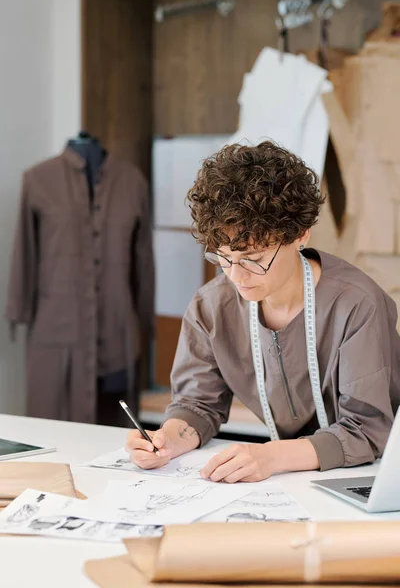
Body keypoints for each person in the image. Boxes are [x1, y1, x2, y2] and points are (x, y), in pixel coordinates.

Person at [126, 141, 400, 483]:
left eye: (254, 260)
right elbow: (198, 405)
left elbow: (368, 431)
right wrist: (168, 439)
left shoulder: (357, 305)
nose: (237, 277)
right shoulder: (210, 307)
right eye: (223, 258)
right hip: (287, 477)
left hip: (370, 476)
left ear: (300, 234)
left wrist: (271, 456)